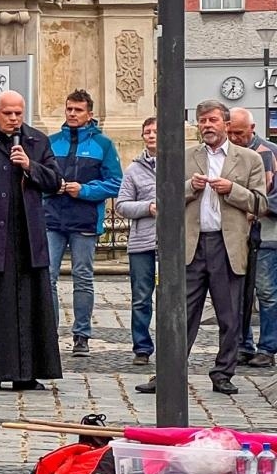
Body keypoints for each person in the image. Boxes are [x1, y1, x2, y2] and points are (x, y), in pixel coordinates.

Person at [139, 101, 267, 396]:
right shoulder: (184, 157)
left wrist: (231, 190)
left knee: (230, 317)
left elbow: (260, 203)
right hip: (192, 245)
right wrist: (189, 188)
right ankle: (167, 374)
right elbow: (165, 198)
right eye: (201, 121)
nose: (206, 125)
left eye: (212, 120)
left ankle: (223, 373)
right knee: (180, 314)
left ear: (224, 123)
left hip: (228, 246)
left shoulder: (248, 159)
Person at [0, 92, 64, 390]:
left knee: (30, 306)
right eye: (8, 113)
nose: (14, 119)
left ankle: (27, 374)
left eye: (18, 113)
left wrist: (29, 165)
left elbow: (55, 181)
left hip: (27, 238)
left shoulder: (37, 142)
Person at [44, 89, 122, 357]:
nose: (73, 114)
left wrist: (85, 190)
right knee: (47, 276)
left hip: (85, 219)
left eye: (78, 110)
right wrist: (52, 187)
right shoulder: (51, 142)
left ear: (89, 113)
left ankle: (82, 335)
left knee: (83, 277)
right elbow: (37, 177)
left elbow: (115, 182)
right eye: (69, 109)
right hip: (52, 217)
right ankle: (48, 332)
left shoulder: (104, 144)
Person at [227, 107, 277, 367]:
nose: (234, 137)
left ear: (252, 129)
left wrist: (257, 207)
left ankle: (267, 347)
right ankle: (243, 344)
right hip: (235, 233)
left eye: (239, 132)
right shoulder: (228, 155)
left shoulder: (270, 153)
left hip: (267, 233)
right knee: (238, 291)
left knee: (266, 291)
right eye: (231, 132)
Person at [115, 118, 158, 367]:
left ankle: (172, 343)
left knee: (171, 297)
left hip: (171, 243)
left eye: (155, 131)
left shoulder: (180, 163)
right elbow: (121, 205)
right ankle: (141, 347)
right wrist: (148, 207)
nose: (151, 135)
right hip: (142, 242)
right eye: (147, 132)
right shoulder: (134, 169)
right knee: (141, 296)